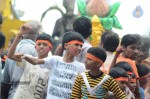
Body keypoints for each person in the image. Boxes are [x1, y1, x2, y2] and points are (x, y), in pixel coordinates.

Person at [19, 31, 85, 99]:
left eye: (81, 46)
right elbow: (36, 61)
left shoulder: (81, 67)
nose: (79, 48)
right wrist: (24, 56)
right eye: (76, 45)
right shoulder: (55, 60)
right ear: (66, 46)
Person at [1, 20, 42, 99]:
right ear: (39, 35)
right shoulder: (40, 52)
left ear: (23, 35)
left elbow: (5, 83)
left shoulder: (11, 51)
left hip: (13, 94)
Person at [7, 30, 54, 98]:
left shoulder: (51, 67)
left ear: (50, 48)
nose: (41, 46)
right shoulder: (28, 58)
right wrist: (19, 36)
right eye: (39, 44)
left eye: (45, 44)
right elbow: (10, 55)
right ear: (35, 47)